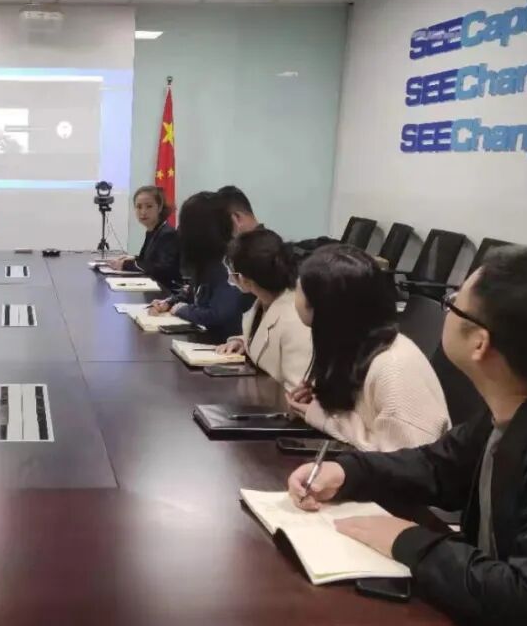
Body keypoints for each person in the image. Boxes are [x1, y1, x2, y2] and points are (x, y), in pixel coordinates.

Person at [287, 246, 527, 626]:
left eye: (453, 303)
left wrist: (408, 541)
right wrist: (348, 472)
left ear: (480, 343)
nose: (446, 310)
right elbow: (436, 467)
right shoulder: (512, 412)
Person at [287, 244, 449, 452]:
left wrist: (323, 417)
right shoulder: (351, 344)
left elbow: (405, 458)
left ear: (324, 306)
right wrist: (319, 405)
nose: (294, 292)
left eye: (300, 287)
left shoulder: (393, 366)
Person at [148, 191, 252, 342]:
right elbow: (193, 292)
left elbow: (218, 314)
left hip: (223, 344)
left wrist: (182, 310)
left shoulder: (227, 263)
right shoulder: (205, 261)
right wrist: (169, 302)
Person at [216, 228, 312, 391]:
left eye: (234, 273)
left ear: (245, 280)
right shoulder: (264, 302)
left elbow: (297, 390)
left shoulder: (295, 319)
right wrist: (242, 342)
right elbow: (264, 337)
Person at [106, 185, 181, 291]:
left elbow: (161, 269)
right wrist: (132, 258)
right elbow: (148, 260)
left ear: (159, 207)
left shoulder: (167, 234)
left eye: (149, 206)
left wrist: (126, 265)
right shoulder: (153, 230)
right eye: (139, 207)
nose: (143, 212)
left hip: (166, 292)